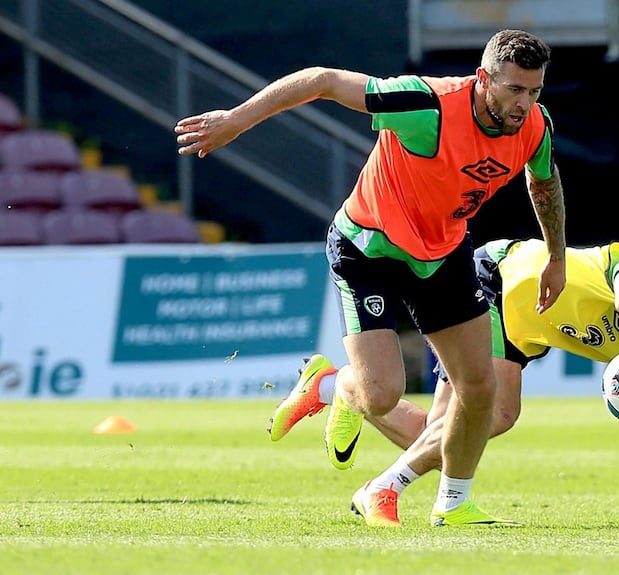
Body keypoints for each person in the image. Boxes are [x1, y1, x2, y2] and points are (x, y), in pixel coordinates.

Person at [174, 29, 568, 527]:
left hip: (443, 252)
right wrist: (235, 120)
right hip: (369, 247)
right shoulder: (426, 105)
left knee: (479, 387)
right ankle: (335, 386)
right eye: (514, 89)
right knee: (381, 395)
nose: (524, 103)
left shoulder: (535, 125)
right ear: (484, 78)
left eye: (534, 92)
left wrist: (556, 256)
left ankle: (453, 502)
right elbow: (322, 80)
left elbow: (544, 180)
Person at [275, 233, 619, 528]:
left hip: (523, 331)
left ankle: (338, 387)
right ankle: (381, 486)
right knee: (495, 417)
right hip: (498, 277)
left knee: (439, 434)